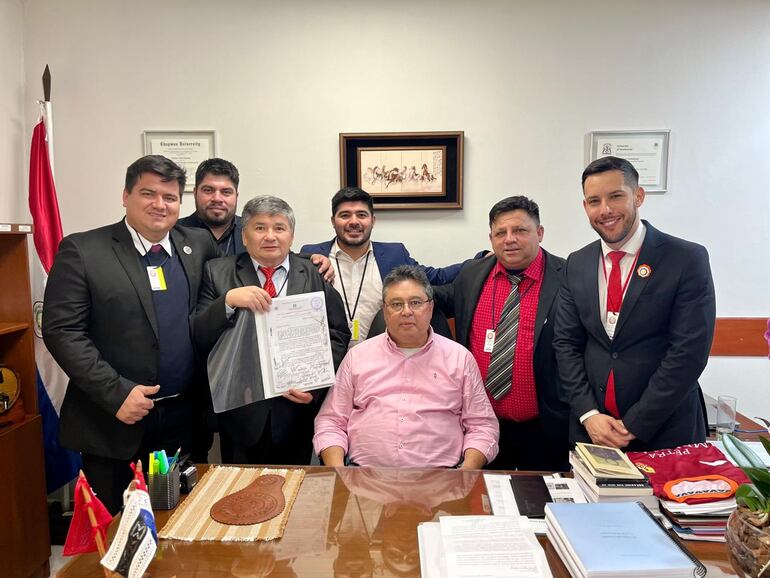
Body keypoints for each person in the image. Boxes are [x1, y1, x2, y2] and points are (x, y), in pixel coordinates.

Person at [43, 155, 219, 514]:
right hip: (114, 422)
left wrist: (311, 262)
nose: (160, 205)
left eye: (169, 197)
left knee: (182, 525)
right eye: (147, 193)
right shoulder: (84, 250)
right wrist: (116, 393)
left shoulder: (198, 245)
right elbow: (62, 330)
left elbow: (238, 271)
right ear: (125, 196)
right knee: (114, 538)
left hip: (183, 422)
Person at [553, 156, 716, 451]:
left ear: (638, 196)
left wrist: (635, 424)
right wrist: (589, 415)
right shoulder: (576, 263)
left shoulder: (685, 259)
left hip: (664, 431)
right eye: (594, 201)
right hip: (593, 432)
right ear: (585, 207)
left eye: (616, 196)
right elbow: (566, 345)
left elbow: (688, 353)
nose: (605, 210)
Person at [193, 195, 350, 464]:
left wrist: (315, 386)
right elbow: (199, 333)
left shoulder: (313, 273)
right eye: (260, 227)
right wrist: (228, 301)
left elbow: (338, 333)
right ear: (244, 236)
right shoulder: (217, 273)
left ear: (291, 235)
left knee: (294, 494)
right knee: (240, 497)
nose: (270, 236)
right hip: (241, 412)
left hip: (296, 411)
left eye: (279, 228)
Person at [432, 196, 571, 471]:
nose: (509, 239)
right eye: (501, 232)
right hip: (481, 429)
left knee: (542, 506)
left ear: (539, 233)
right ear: (491, 237)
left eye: (520, 230)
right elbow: (432, 296)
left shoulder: (567, 276)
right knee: (484, 506)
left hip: (546, 428)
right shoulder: (473, 273)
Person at [313, 265, 499, 469]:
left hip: (442, 483)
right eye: (396, 304)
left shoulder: (460, 359)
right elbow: (330, 423)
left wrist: (465, 473)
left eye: (416, 303)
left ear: (430, 307)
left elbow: (482, 427)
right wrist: (339, 472)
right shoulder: (357, 357)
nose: (407, 312)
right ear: (384, 310)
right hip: (364, 481)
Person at [301, 187, 464, 346]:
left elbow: (437, 277)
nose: (354, 221)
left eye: (361, 215)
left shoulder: (395, 255)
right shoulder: (312, 255)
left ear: (372, 220)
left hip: (380, 362)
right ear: (332, 221)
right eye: (345, 215)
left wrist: (480, 260)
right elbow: (284, 266)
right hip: (327, 358)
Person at [178, 158, 245, 256]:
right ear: (195, 193)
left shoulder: (252, 233)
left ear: (236, 196)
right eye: (208, 190)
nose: (217, 199)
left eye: (226, 192)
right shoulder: (172, 233)